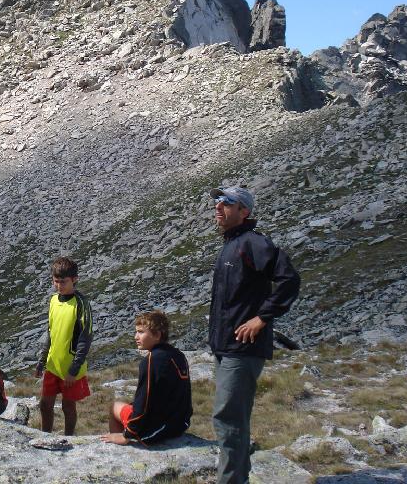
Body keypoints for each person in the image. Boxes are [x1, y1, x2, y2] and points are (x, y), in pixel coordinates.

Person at [209, 186, 300, 484]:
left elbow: (289, 279)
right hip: (226, 346)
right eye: (217, 202)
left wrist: (262, 318)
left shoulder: (253, 243)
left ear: (244, 211)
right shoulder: (232, 244)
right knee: (231, 418)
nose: (218, 207)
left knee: (228, 419)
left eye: (226, 203)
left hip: (242, 348)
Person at [101, 310, 192, 446]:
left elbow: (143, 401)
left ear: (157, 335)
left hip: (155, 430)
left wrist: (128, 434)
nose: (136, 337)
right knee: (129, 405)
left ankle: (120, 443)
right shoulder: (178, 355)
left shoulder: (150, 361)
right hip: (179, 424)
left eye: (141, 332)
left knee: (115, 407)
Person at [35, 257, 93, 435]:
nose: (59, 285)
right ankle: (45, 436)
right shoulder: (53, 300)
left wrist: (74, 370)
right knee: (45, 404)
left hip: (70, 367)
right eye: (56, 281)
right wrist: (42, 361)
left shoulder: (81, 304)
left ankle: (69, 438)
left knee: (68, 407)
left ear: (74, 279)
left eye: (64, 282)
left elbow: (85, 339)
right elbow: (50, 333)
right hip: (53, 364)